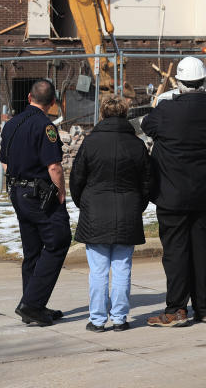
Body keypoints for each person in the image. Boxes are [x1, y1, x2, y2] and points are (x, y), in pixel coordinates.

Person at [141, 56, 206, 327]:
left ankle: (176, 309)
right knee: (202, 251)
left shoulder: (166, 111)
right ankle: (205, 307)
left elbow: (146, 124)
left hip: (172, 195)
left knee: (176, 252)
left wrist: (166, 101)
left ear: (178, 83)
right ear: (204, 81)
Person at [70, 96, 151, 333]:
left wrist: (83, 203)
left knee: (98, 270)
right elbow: (147, 181)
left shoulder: (90, 142)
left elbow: (77, 178)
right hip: (128, 210)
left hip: (95, 211)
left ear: (102, 115)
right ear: (125, 115)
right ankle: (119, 318)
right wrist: (138, 205)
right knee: (122, 267)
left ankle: (97, 319)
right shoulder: (136, 144)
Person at [0, 79, 70, 327]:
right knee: (58, 242)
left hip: (18, 192)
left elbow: (5, 163)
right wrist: (61, 193)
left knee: (32, 250)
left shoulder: (11, 125)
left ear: (29, 98)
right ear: (53, 103)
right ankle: (31, 304)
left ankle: (34, 303)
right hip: (40, 196)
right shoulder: (46, 127)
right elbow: (54, 166)